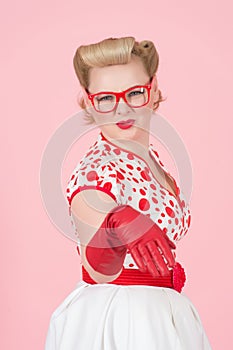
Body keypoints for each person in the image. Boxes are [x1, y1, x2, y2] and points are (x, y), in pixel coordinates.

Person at [44, 36, 212, 349]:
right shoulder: (97, 169)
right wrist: (114, 224)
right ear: (88, 101)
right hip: (119, 321)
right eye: (106, 98)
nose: (121, 108)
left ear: (154, 88)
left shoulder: (155, 164)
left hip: (167, 315)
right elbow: (96, 267)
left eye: (134, 93)